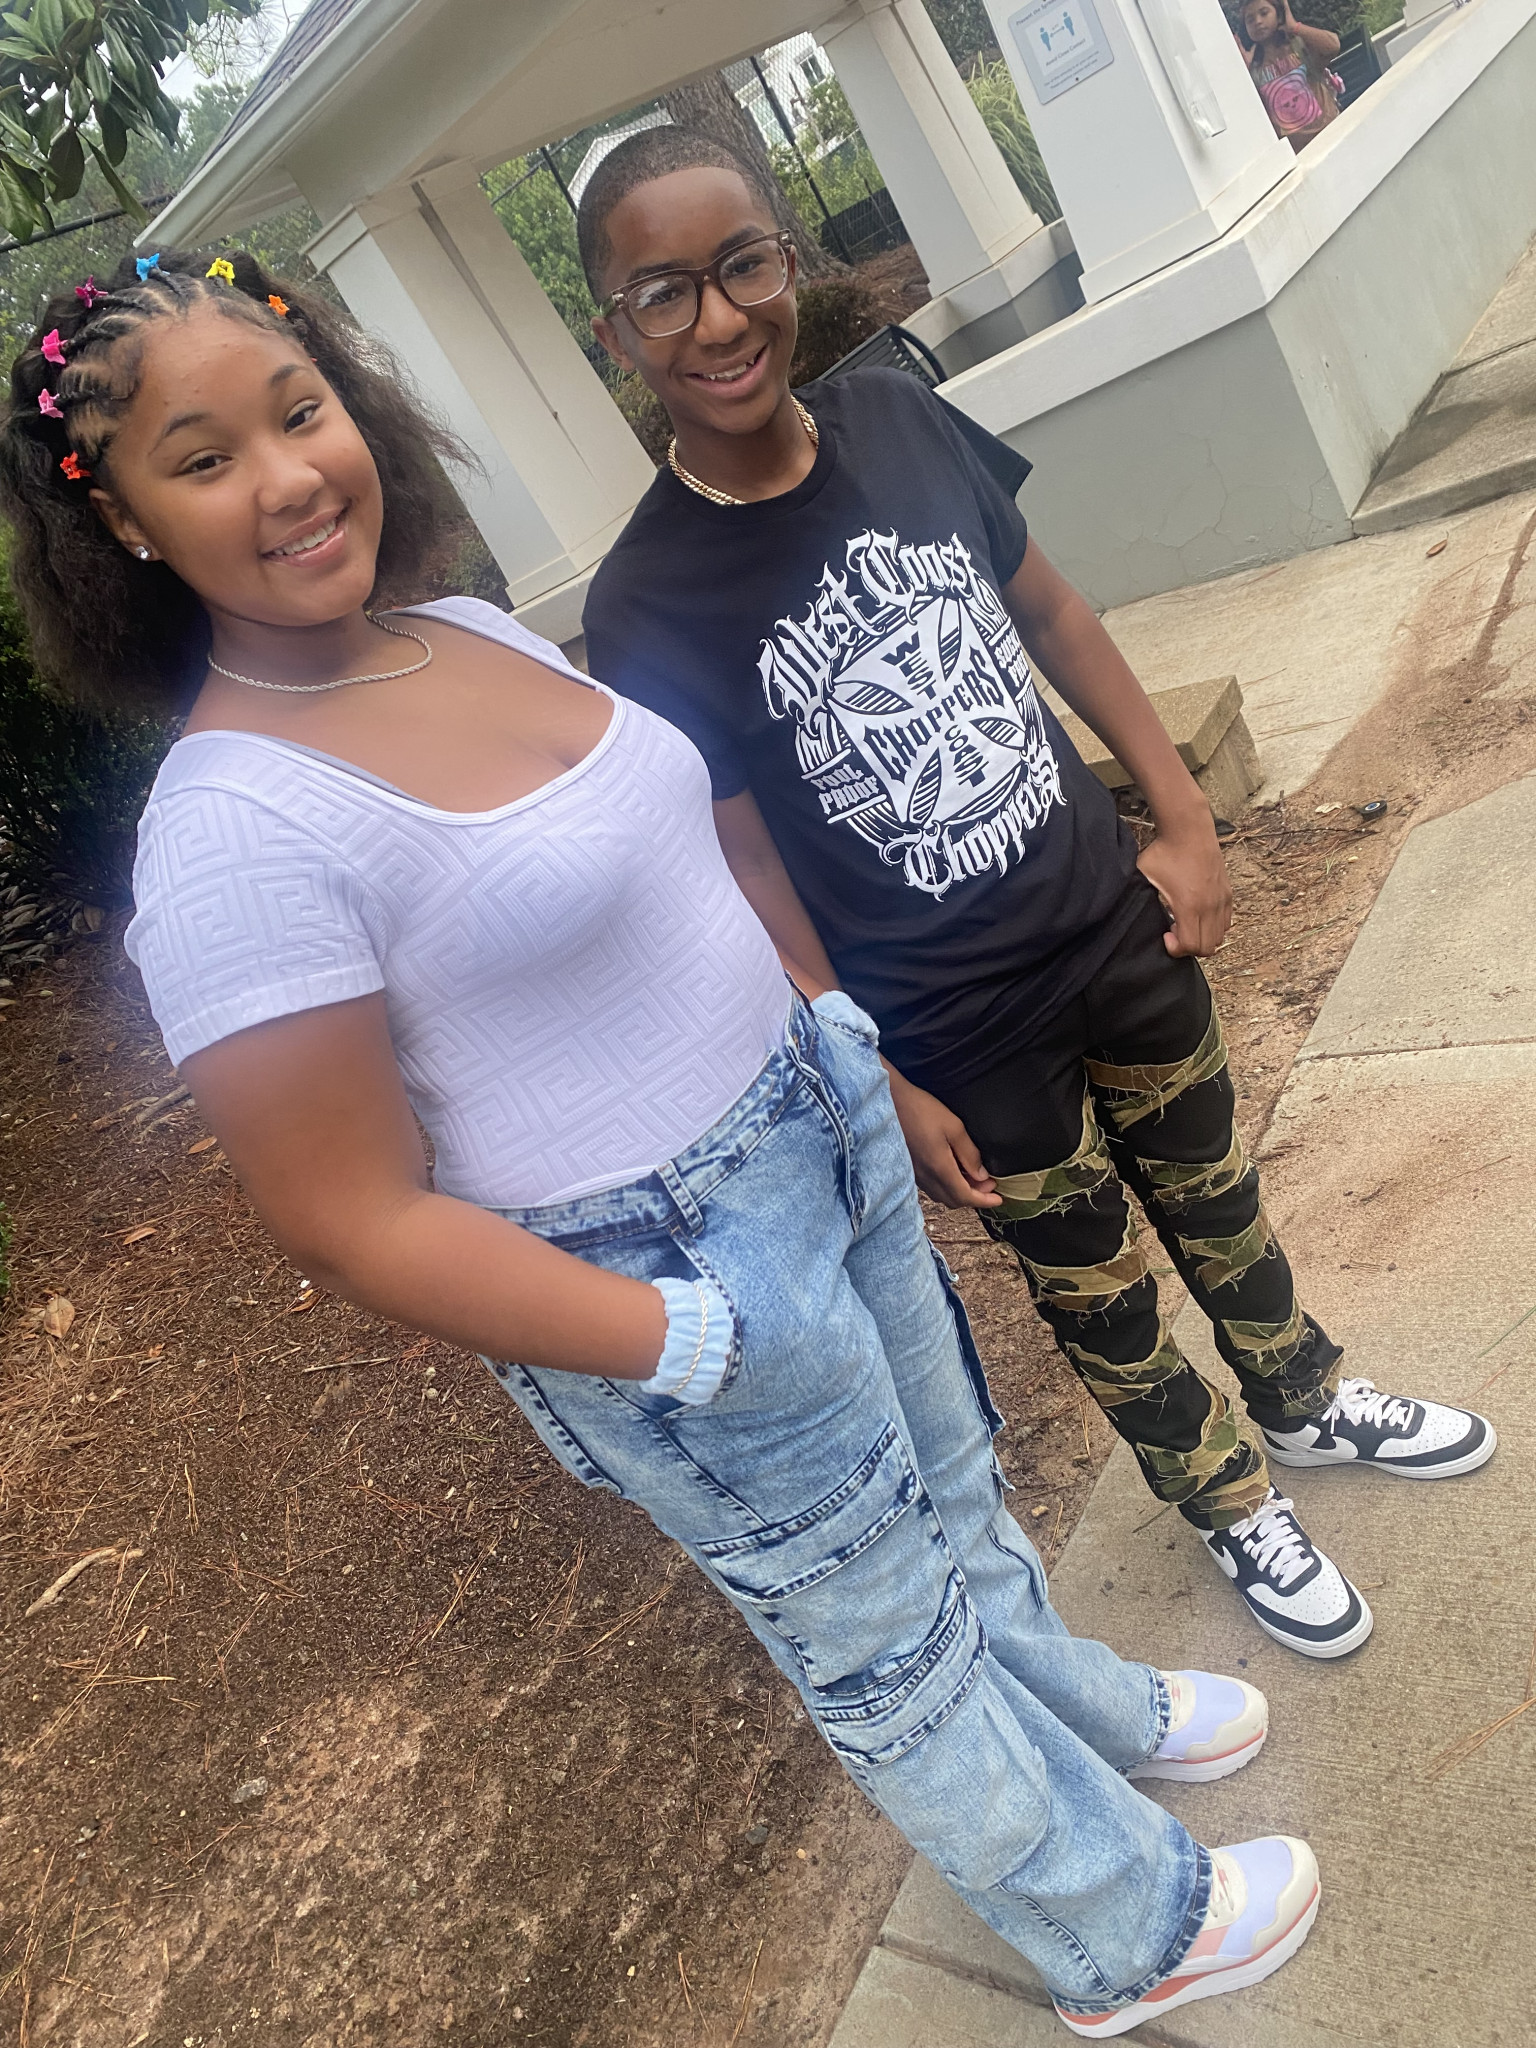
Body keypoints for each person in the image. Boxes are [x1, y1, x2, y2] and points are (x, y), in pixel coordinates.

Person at [0, 248, 1319, 2037]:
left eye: (301, 412)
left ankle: (1080, 1711)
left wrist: (826, 1027)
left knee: (952, 1491)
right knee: (876, 1638)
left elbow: (668, 852)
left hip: (811, 1119)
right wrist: (678, 1340)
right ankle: (1122, 1930)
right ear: (122, 521)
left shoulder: (457, 628)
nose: (291, 477)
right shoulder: (233, 832)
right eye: (205, 456)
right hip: (667, 1267)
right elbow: (346, 1217)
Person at [578, 128, 1496, 1668]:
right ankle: (1228, 1496)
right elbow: (742, 861)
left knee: (1221, 1197)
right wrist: (871, 1069)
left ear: (790, 263)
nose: (720, 319)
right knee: (1100, 1294)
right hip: (955, 1027)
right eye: (663, 293)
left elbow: (1053, 612)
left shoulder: (898, 415)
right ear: (616, 331)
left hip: (1111, 921)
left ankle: (1304, 1396)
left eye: (743, 264)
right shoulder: (644, 600)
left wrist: (1183, 816)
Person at [1241, 0, 1343, 150]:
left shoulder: (1298, 45)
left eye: (1264, 13)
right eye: (1250, 20)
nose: (1258, 21)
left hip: (1330, 132)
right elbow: (1250, 110)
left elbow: (1333, 46)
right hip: (1297, 152)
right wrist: (1242, 71)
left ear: (1279, 14)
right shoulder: (1254, 68)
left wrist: (1294, 27)